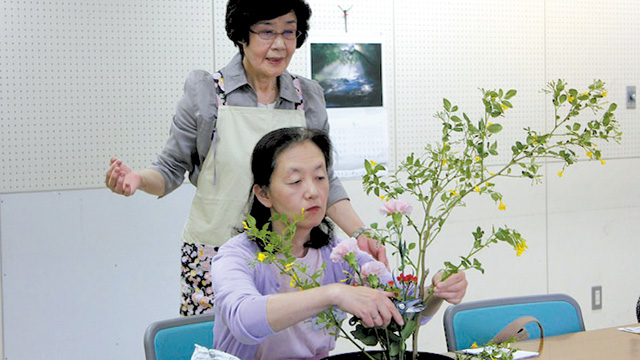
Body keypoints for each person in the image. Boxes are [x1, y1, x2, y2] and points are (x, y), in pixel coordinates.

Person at [104, 0, 385, 316]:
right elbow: (170, 168)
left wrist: (361, 234)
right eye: (267, 32)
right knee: (220, 346)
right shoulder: (208, 93)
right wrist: (138, 180)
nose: (279, 45)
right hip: (215, 250)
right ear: (241, 35)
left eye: (288, 33)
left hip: (288, 255)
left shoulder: (307, 97)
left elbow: (325, 181)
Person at [211, 127, 468, 360]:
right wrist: (334, 293)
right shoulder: (237, 255)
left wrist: (436, 291)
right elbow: (245, 321)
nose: (313, 191)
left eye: (320, 178)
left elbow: (396, 306)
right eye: (295, 181)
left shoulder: (337, 253)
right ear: (263, 194)